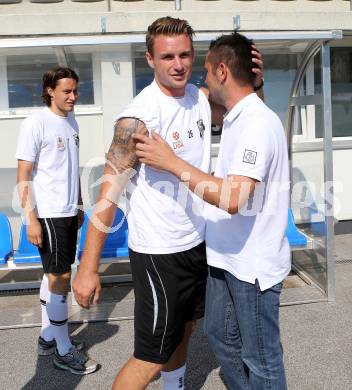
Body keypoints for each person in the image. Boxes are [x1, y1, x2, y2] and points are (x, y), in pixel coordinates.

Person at [73, 17, 263, 390]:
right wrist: (87, 267)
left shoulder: (200, 97)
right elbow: (107, 195)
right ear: (150, 59)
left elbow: (245, 112)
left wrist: (253, 79)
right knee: (149, 356)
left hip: (196, 243)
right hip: (159, 253)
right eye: (167, 57)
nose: (178, 64)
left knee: (185, 330)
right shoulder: (138, 118)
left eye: (185, 55)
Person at [134, 32, 290, 390]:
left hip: (251, 266)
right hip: (223, 257)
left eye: (204, 69)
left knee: (261, 358)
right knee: (220, 336)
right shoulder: (235, 116)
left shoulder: (256, 123)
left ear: (222, 71)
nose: (198, 77)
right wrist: (258, 81)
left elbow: (233, 198)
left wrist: (171, 162)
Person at [16, 66, 99, 375]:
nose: (73, 96)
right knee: (60, 278)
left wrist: (78, 204)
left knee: (52, 275)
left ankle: (48, 335)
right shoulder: (35, 123)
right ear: (50, 90)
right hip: (48, 213)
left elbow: (72, 167)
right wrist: (31, 219)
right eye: (67, 91)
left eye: (76, 91)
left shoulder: (71, 121)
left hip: (67, 212)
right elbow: (24, 174)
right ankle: (64, 350)